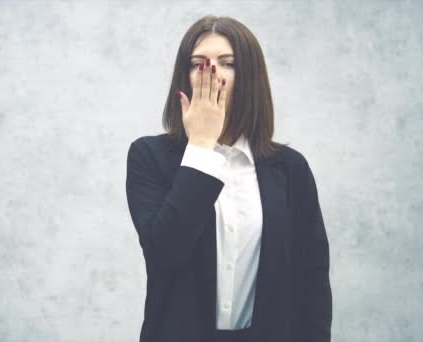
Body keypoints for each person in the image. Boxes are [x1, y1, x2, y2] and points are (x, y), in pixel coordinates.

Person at [125, 15, 332, 342]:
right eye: (198, 64)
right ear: (184, 78)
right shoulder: (148, 156)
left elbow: (312, 280)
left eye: (227, 63)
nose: (212, 74)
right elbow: (165, 252)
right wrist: (201, 146)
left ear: (249, 78)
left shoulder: (290, 169)